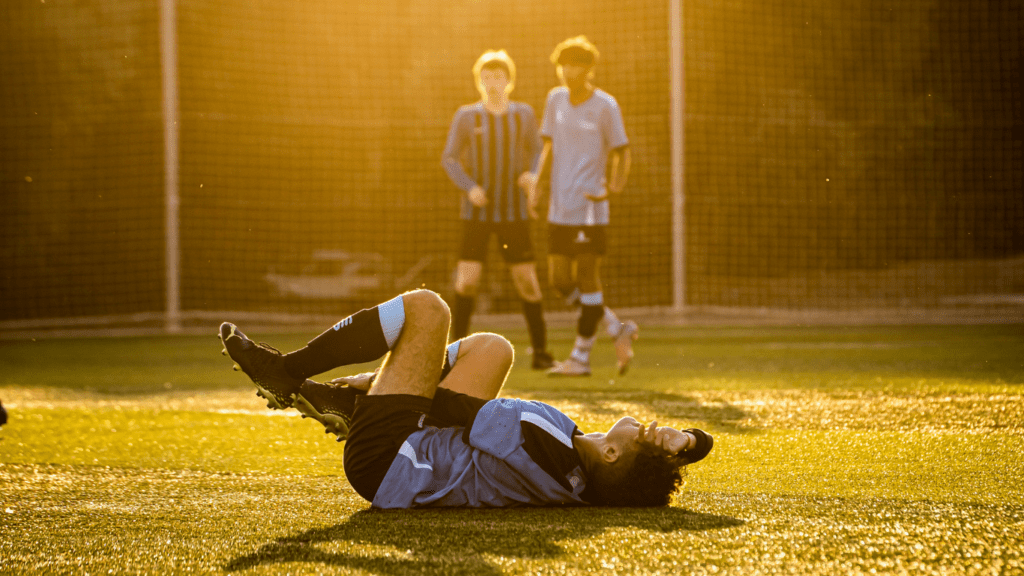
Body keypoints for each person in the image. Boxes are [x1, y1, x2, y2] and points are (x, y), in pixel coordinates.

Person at [219, 289, 713, 509]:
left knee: (428, 311)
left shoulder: (550, 444)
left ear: (612, 453)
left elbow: (451, 407)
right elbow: (701, 442)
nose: (650, 426)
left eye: (646, 436)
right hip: (410, 455)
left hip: (387, 458)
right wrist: (686, 441)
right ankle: (349, 404)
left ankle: (288, 373)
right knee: (495, 348)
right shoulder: (575, 471)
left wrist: (379, 385)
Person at [523, 36, 638, 377]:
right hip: (561, 208)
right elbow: (548, 148)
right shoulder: (555, 100)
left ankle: (580, 358)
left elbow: (622, 151)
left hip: (590, 208)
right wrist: (536, 185)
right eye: (562, 64)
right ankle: (616, 327)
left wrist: (614, 187)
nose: (567, 71)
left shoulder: (605, 105)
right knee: (559, 280)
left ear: (588, 69)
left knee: (587, 277)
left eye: (574, 64)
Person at [441, 49, 554, 370]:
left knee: (527, 282)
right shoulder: (467, 116)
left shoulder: (523, 115)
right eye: (486, 77)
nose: (492, 83)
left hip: (514, 215)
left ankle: (541, 353)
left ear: (509, 81)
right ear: (479, 81)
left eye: (498, 77)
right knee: (467, 282)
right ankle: (451, 357)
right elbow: (449, 158)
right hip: (476, 215)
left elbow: (538, 152)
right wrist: (470, 187)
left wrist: (532, 175)